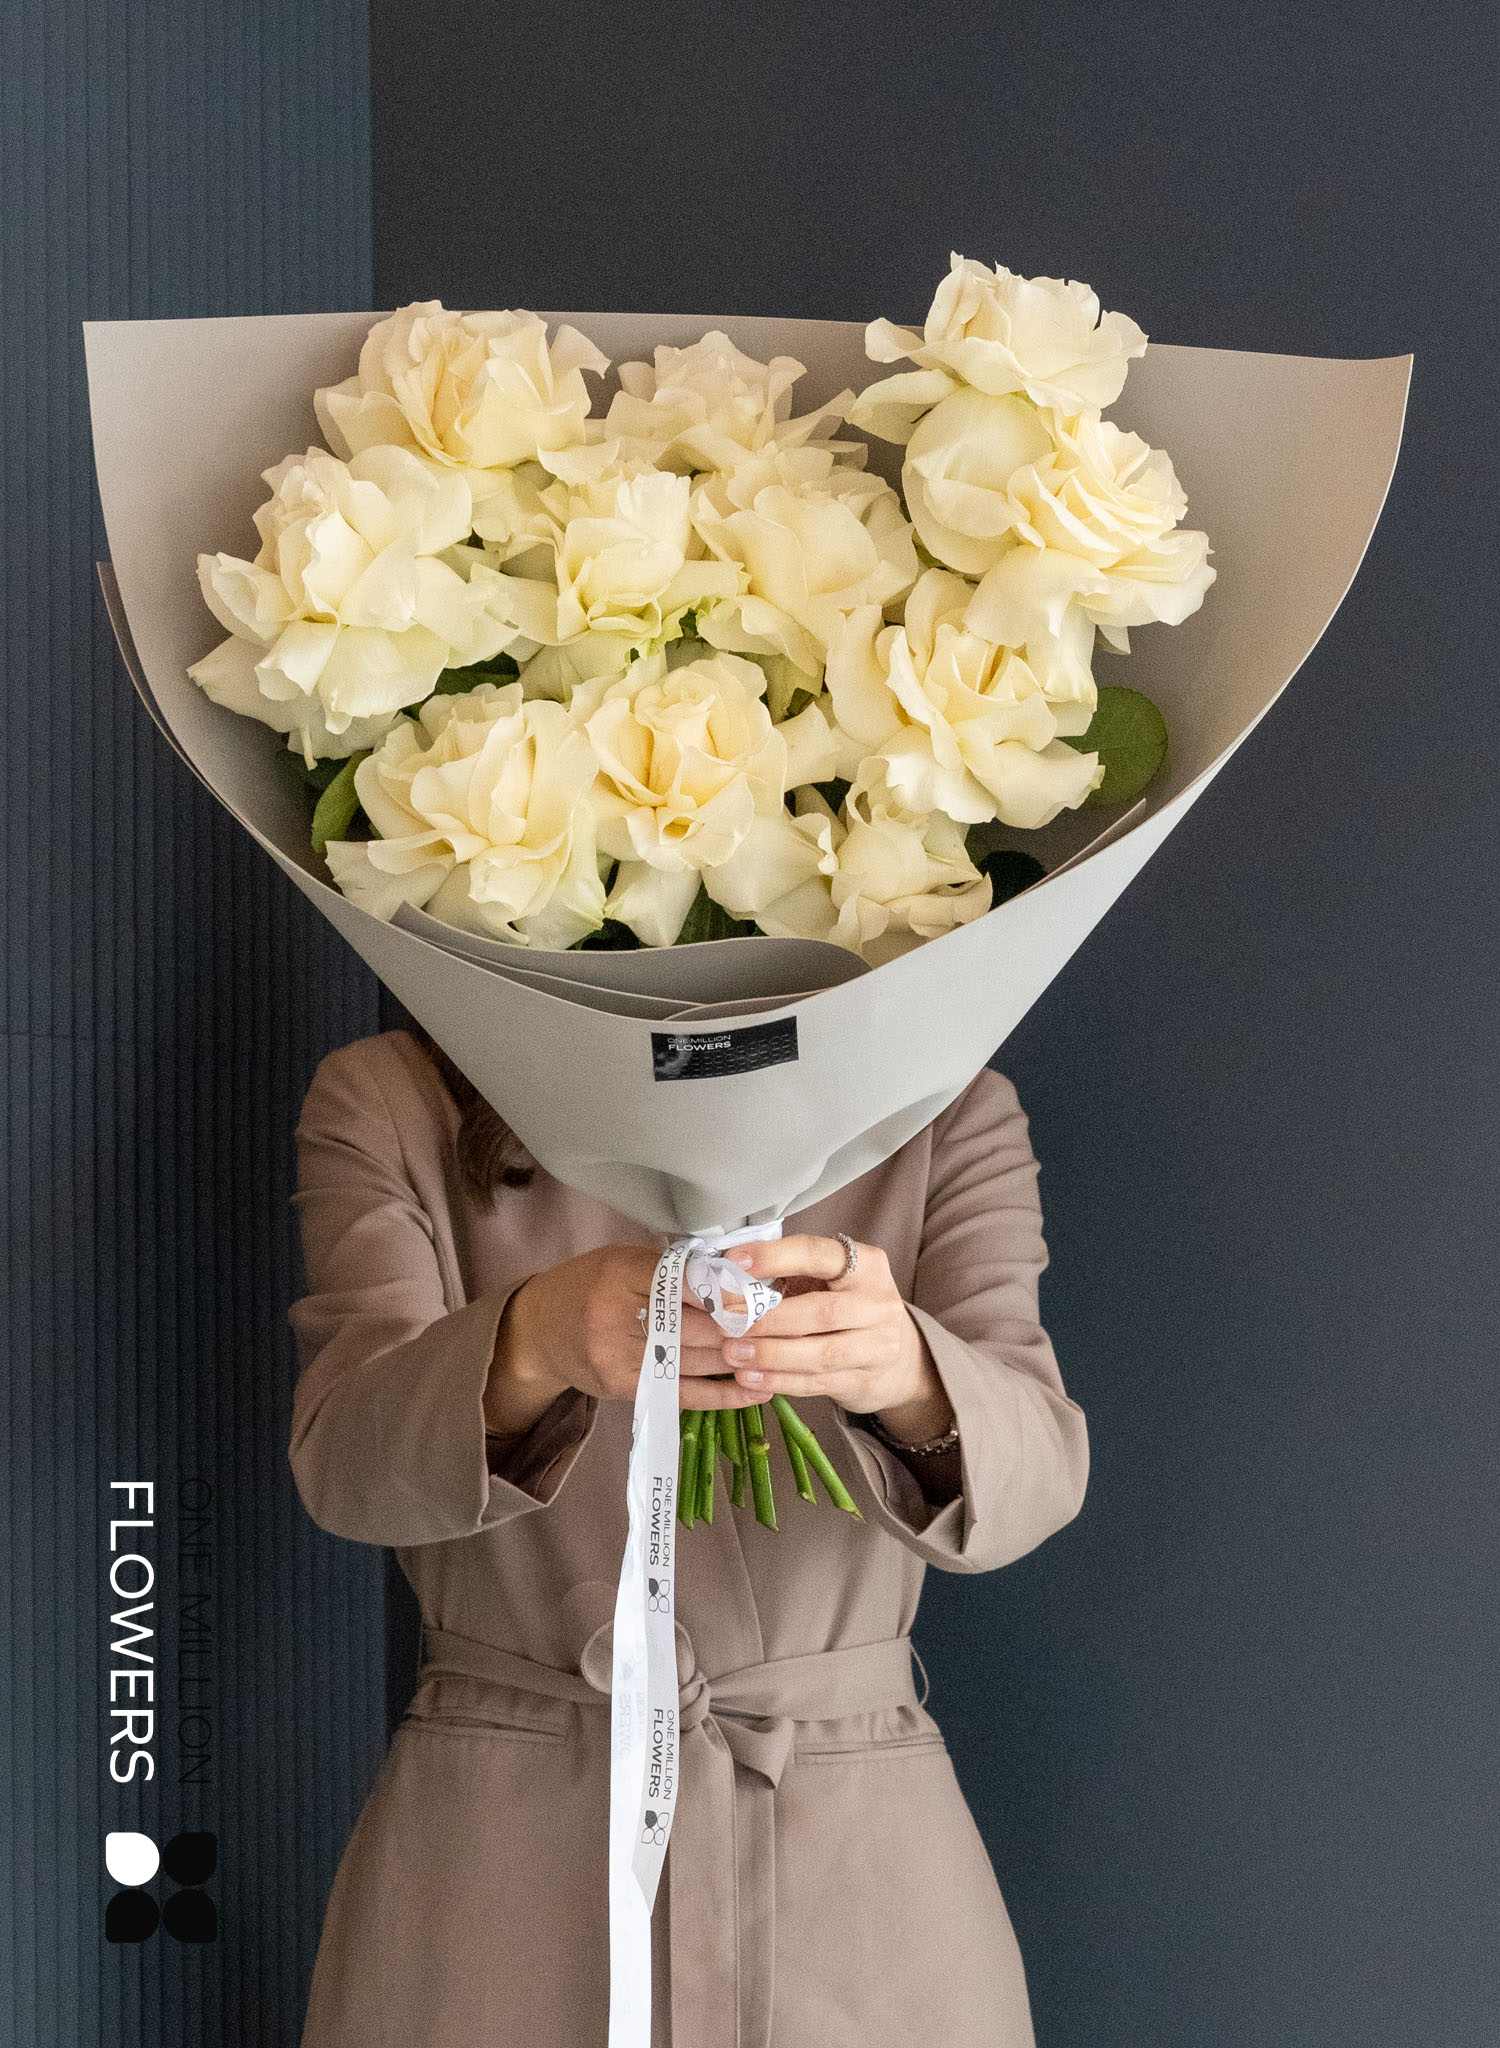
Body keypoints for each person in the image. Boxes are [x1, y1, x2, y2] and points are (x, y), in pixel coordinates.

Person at [289, 1021, 1089, 2048]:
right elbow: (345, 1469)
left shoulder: (944, 1104)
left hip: (856, 1877)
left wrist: (907, 1373)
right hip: (500, 1865)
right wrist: (529, 1343)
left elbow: (1036, 1485)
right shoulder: (393, 1097)